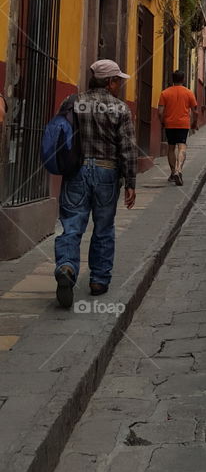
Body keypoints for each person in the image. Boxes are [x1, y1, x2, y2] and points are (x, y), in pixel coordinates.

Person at [54, 59, 137, 308]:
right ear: (110, 82)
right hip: (107, 173)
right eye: (118, 81)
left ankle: (67, 267)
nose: (119, 85)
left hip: (76, 172)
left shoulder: (71, 102)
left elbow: (60, 135)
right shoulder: (120, 109)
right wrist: (131, 181)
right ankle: (99, 280)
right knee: (103, 228)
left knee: (71, 225)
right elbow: (128, 148)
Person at [158, 70, 198, 186]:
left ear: (172, 80)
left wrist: (162, 122)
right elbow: (195, 111)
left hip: (169, 124)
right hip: (183, 124)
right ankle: (178, 170)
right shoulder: (189, 93)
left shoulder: (165, 93)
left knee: (171, 148)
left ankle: (172, 172)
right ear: (183, 79)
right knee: (182, 147)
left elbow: (160, 112)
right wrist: (194, 123)